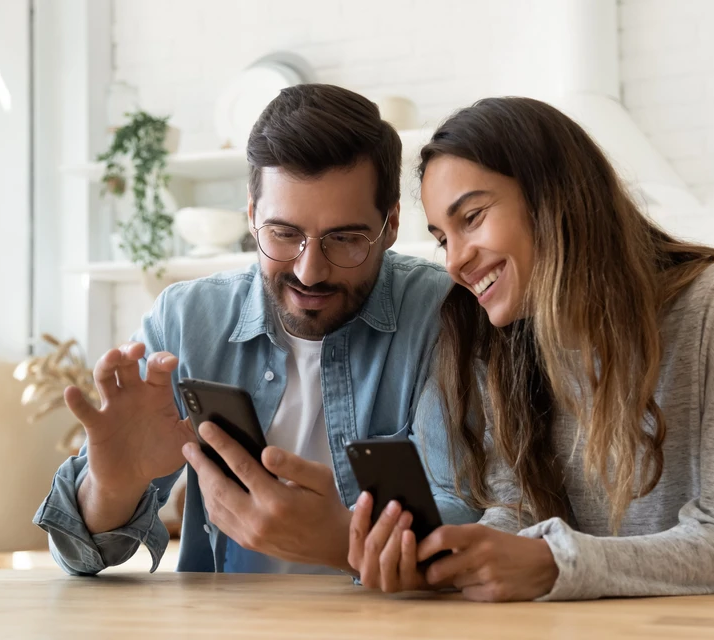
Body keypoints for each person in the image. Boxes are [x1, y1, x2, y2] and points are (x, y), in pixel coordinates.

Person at [348, 96, 714, 601]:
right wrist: (456, 558)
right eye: (443, 239)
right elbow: (518, 511)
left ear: (552, 196)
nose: (456, 262)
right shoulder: (509, 345)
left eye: (473, 217)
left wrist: (553, 562)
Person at [33, 84, 478, 576]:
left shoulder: (444, 315)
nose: (310, 271)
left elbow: (469, 518)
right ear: (251, 216)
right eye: (284, 234)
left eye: (345, 239)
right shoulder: (184, 321)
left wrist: (341, 538)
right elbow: (80, 555)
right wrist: (111, 488)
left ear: (390, 224)